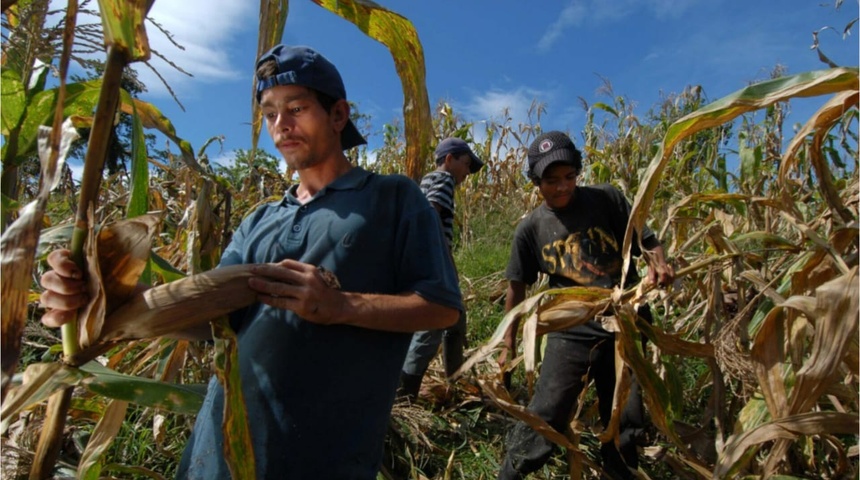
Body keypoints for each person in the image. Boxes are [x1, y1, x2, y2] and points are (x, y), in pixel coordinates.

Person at [38, 44, 463, 479]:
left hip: (322, 460)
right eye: (270, 113)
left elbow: (441, 305)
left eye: (296, 107)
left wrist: (341, 306)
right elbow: (214, 318)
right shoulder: (259, 219)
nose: (282, 125)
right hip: (220, 453)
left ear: (338, 115)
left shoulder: (392, 198)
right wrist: (102, 298)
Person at [496, 131, 674, 480]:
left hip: (625, 320)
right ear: (536, 182)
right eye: (551, 181)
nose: (562, 187)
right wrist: (508, 341)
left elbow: (647, 240)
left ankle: (620, 472)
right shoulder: (531, 229)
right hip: (572, 329)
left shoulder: (606, 199)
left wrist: (659, 263)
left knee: (623, 416)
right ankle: (510, 473)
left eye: (569, 177)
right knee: (547, 411)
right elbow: (517, 286)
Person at [398, 137, 484, 400]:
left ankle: (454, 381)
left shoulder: (426, 181)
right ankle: (405, 391)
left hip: (420, 261)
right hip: (434, 263)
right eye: (466, 164)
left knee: (456, 319)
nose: (467, 172)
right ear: (449, 160)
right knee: (434, 323)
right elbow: (432, 218)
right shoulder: (443, 180)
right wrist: (447, 265)